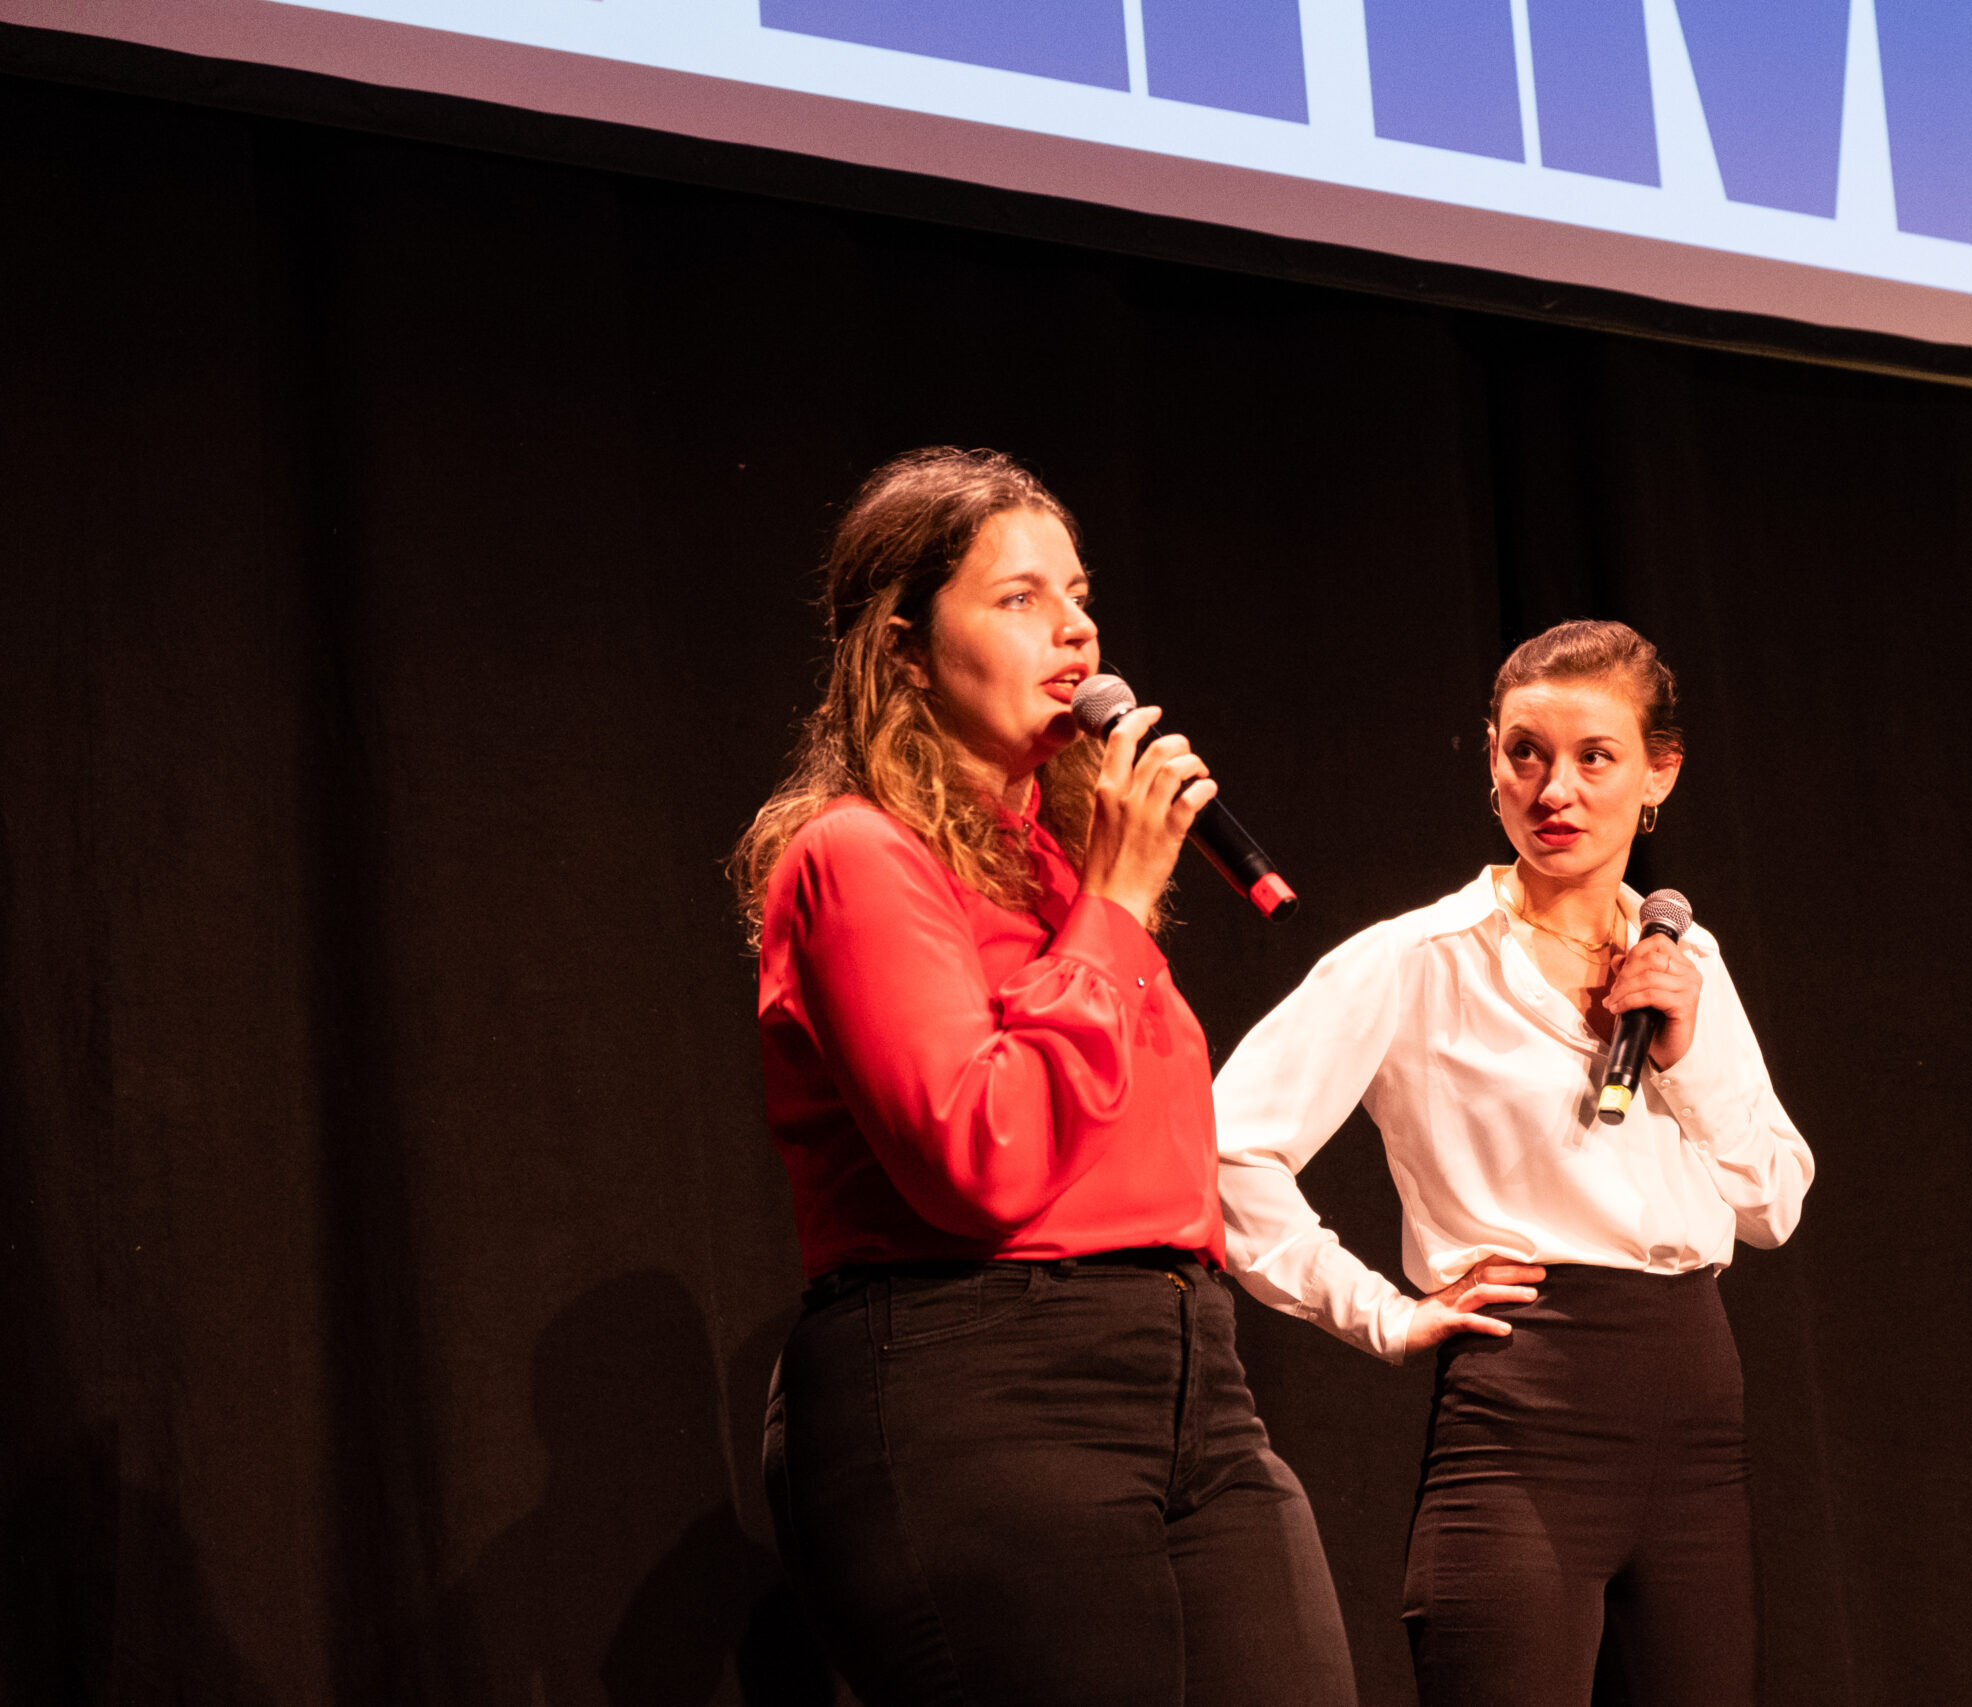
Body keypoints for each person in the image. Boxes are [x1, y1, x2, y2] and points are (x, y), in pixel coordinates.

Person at [733, 447, 1356, 1707]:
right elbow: (984, 1161)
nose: (1074, 631)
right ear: (903, 652)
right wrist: (1122, 903)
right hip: (976, 1379)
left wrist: (1103, 899)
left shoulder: (1064, 875)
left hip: (1189, 1372)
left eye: (1077, 595)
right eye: (1018, 599)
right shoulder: (856, 856)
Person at [1214, 619, 1815, 1707]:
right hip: (1527, 1406)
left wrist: (1681, 1058)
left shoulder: (1684, 962)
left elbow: (1772, 1201)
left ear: (1658, 775)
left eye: (1595, 758)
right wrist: (1382, 1313)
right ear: (1490, 761)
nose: (1555, 790)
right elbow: (1225, 1150)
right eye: (1524, 753)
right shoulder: (1417, 960)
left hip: (1695, 1412)